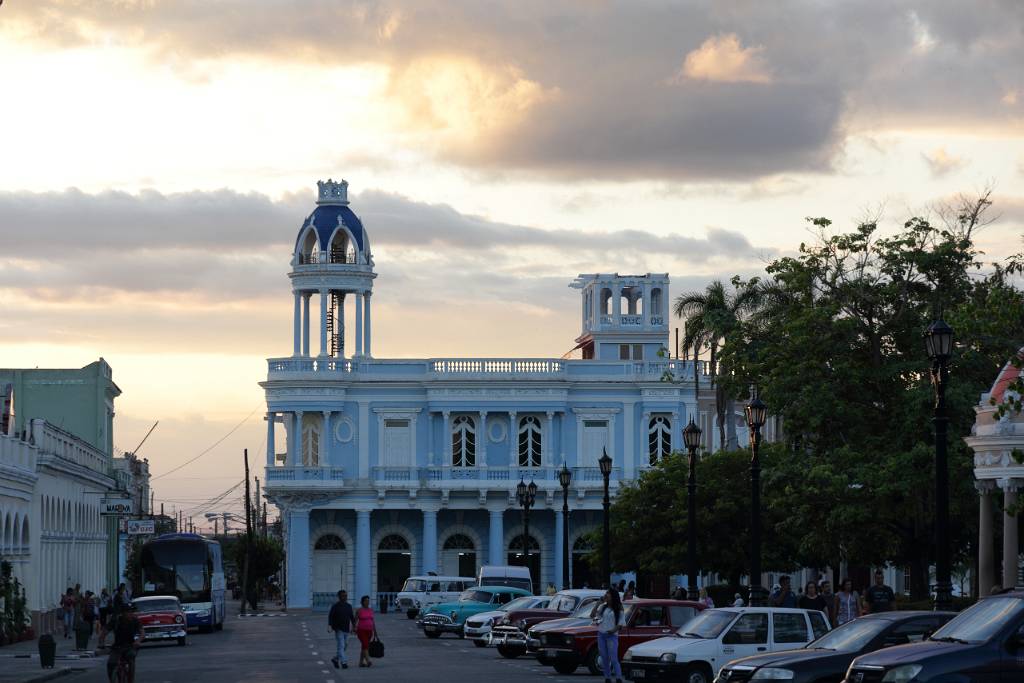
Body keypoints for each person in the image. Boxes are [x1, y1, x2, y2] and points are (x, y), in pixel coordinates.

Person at [106, 601, 143, 683]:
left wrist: (138, 641)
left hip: (130, 646)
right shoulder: (116, 621)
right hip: (117, 647)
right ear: (122, 613)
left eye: (131, 611)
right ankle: (112, 679)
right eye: (128, 612)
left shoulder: (135, 620)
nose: (130, 613)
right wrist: (101, 641)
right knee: (110, 664)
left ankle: (130, 680)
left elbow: (142, 633)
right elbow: (105, 632)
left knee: (131, 659)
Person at [593, 587, 625, 683]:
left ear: (613, 596)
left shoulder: (619, 608)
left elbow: (620, 624)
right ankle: (607, 678)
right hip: (601, 635)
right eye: (606, 593)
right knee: (604, 658)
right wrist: (597, 604)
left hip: (612, 635)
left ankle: (618, 678)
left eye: (608, 593)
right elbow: (593, 616)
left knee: (614, 658)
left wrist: (612, 630)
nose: (606, 595)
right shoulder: (603, 607)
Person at [328, 590, 356, 670]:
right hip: (338, 629)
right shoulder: (335, 606)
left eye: (346, 596)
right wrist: (329, 625)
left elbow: (352, 617)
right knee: (341, 645)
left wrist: (354, 626)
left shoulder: (348, 606)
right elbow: (331, 616)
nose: (345, 597)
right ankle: (344, 662)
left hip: (346, 629)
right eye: (343, 596)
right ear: (339, 597)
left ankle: (335, 659)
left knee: (345, 646)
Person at [355, 595, 376, 668]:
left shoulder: (370, 610)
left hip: (369, 631)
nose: (367, 602)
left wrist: (375, 631)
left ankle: (360, 663)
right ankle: (368, 661)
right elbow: (355, 620)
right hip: (361, 630)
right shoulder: (359, 610)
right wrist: (353, 628)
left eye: (368, 601)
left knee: (364, 646)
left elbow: (372, 621)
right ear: (362, 602)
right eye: (366, 601)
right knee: (365, 645)